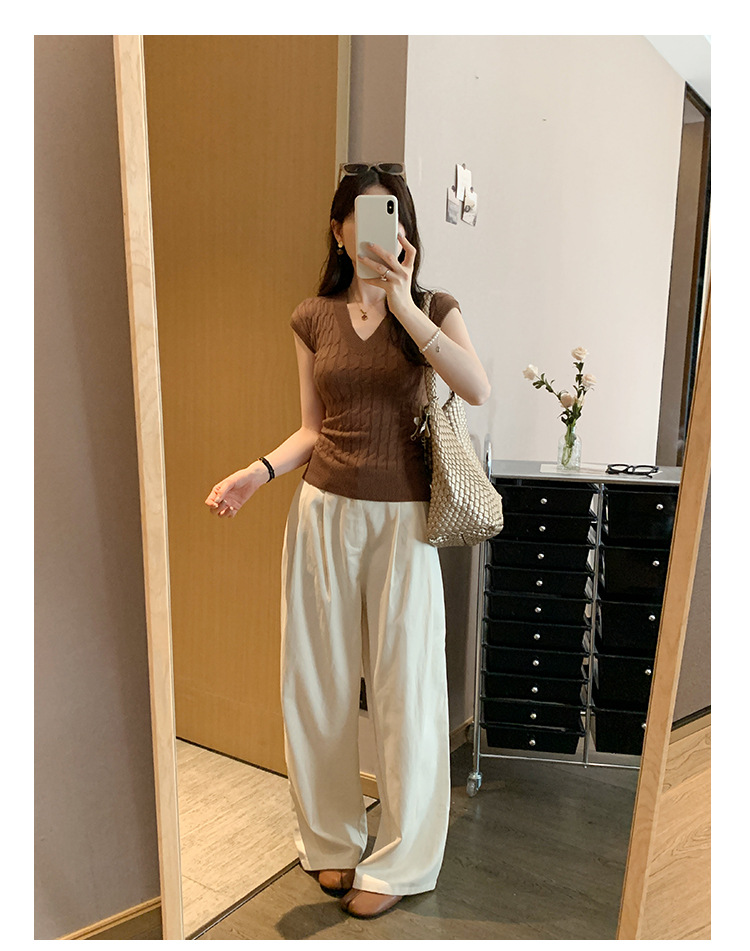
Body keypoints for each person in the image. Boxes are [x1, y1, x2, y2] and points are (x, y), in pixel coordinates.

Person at [204, 163, 491, 919]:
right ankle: (331, 839)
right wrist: (258, 472)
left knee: (407, 690)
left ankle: (403, 859)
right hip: (323, 511)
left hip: (404, 522)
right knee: (317, 684)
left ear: (406, 228)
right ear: (338, 231)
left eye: (391, 214)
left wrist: (405, 304)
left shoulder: (434, 307)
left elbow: (475, 386)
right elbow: (313, 426)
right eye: (362, 216)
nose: (378, 230)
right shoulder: (312, 317)